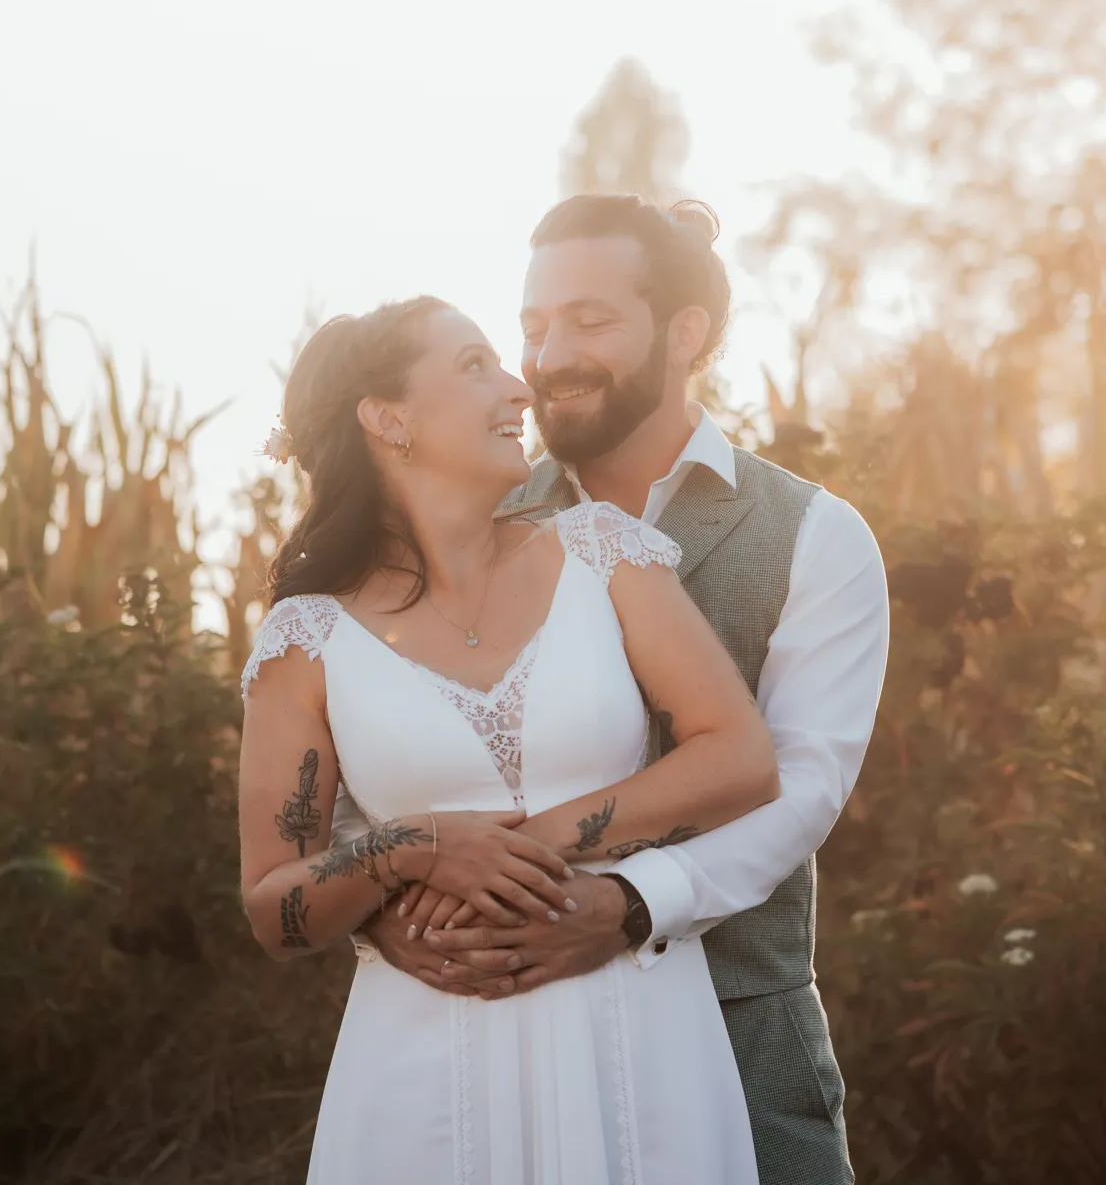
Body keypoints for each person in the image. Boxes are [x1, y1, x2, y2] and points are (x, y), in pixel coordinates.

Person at [353, 196, 891, 1185]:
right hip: (487, 1034)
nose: (548, 355)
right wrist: (377, 907)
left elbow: (803, 785)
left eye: (590, 321)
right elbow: (360, 739)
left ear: (685, 333)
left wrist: (630, 901)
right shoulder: (457, 524)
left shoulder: (816, 535)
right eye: (532, 324)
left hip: (738, 1031)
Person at [238, 294, 780, 1182]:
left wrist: (523, 847)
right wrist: (415, 848)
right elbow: (274, 908)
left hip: (633, 1037)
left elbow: (740, 756)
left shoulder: (603, 553)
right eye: (474, 366)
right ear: (388, 419)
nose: (519, 388)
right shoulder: (307, 640)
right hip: (425, 1070)